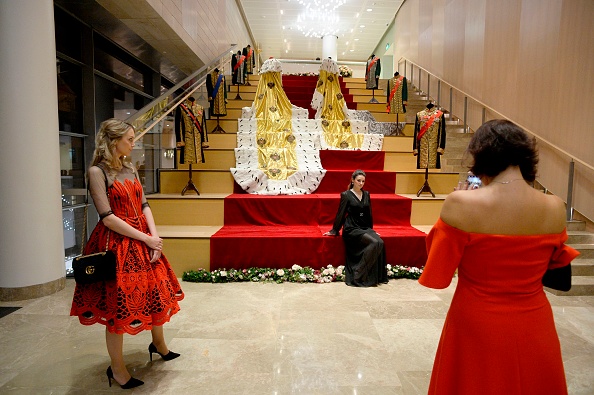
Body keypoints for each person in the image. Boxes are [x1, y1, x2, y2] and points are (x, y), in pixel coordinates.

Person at [418, 119, 579, 394]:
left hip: (476, 322)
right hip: (534, 322)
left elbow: (438, 275)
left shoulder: (461, 203)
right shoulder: (554, 207)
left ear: (482, 155)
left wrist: (454, 213)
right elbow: (560, 276)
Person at [71, 119, 184, 389]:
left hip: (143, 237)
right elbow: (107, 217)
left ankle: (158, 344)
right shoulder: (97, 172)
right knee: (118, 307)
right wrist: (146, 238)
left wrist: (154, 238)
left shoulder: (129, 166)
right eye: (129, 139)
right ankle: (118, 369)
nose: (134, 144)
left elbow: (144, 204)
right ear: (113, 141)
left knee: (156, 294)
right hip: (117, 244)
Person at [324, 170, 388, 287]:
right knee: (374, 242)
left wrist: (371, 230)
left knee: (380, 242)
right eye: (358, 180)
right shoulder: (346, 195)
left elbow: (369, 214)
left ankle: (373, 274)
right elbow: (341, 214)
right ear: (353, 180)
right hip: (351, 228)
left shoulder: (367, 194)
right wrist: (334, 230)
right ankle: (359, 271)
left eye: (363, 181)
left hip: (364, 227)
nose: (361, 183)